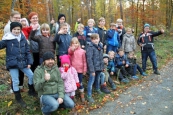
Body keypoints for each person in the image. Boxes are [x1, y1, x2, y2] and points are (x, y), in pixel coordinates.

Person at [0, 22, 36, 107]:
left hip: (23, 62)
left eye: (18, 29)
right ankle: (18, 97)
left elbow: (27, 51)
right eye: (14, 29)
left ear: (20, 30)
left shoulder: (23, 38)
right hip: (12, 63)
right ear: (11, 29)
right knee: (16, 80)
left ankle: (31, 90)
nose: (16, 31)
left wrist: (29, 62)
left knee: (31, 75)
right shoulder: (7, 39)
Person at [3, 11, 25, 93]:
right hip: (13, 53)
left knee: (20, 70)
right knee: (14, 71)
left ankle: (20, 86)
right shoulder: (9, 27)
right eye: (16, 17)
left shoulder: (17, 25)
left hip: (19, 52)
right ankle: (14, 89)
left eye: (19, 18)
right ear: (11, 17)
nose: (18, 19)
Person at [86, 33, 104, 103]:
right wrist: (92, 70)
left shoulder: (100, 46)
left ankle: (97, 89)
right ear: (91, 40)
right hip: (93, 68)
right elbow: (89, 59)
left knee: (98, 78)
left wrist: (102, 67)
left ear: (99, 39)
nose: (95, 40)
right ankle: (89, 95)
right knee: (91, 81)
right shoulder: (90, 47)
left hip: (99, 67)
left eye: (97, 39)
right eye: (94, 39)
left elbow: (101, 58)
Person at [68, 37, 87, 102]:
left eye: (76, 43)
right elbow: (70, 52)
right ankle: (73, 95)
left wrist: (85, 69)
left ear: (78, 43)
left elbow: (84, 61)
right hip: (73, 71)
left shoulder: (82, 51)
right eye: (73, 43)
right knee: (73, 82)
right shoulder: (70, 50)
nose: (75, 45)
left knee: (79, 82)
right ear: (71, 44)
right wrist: (72, 49)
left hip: (80, 70)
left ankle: (81, 93)